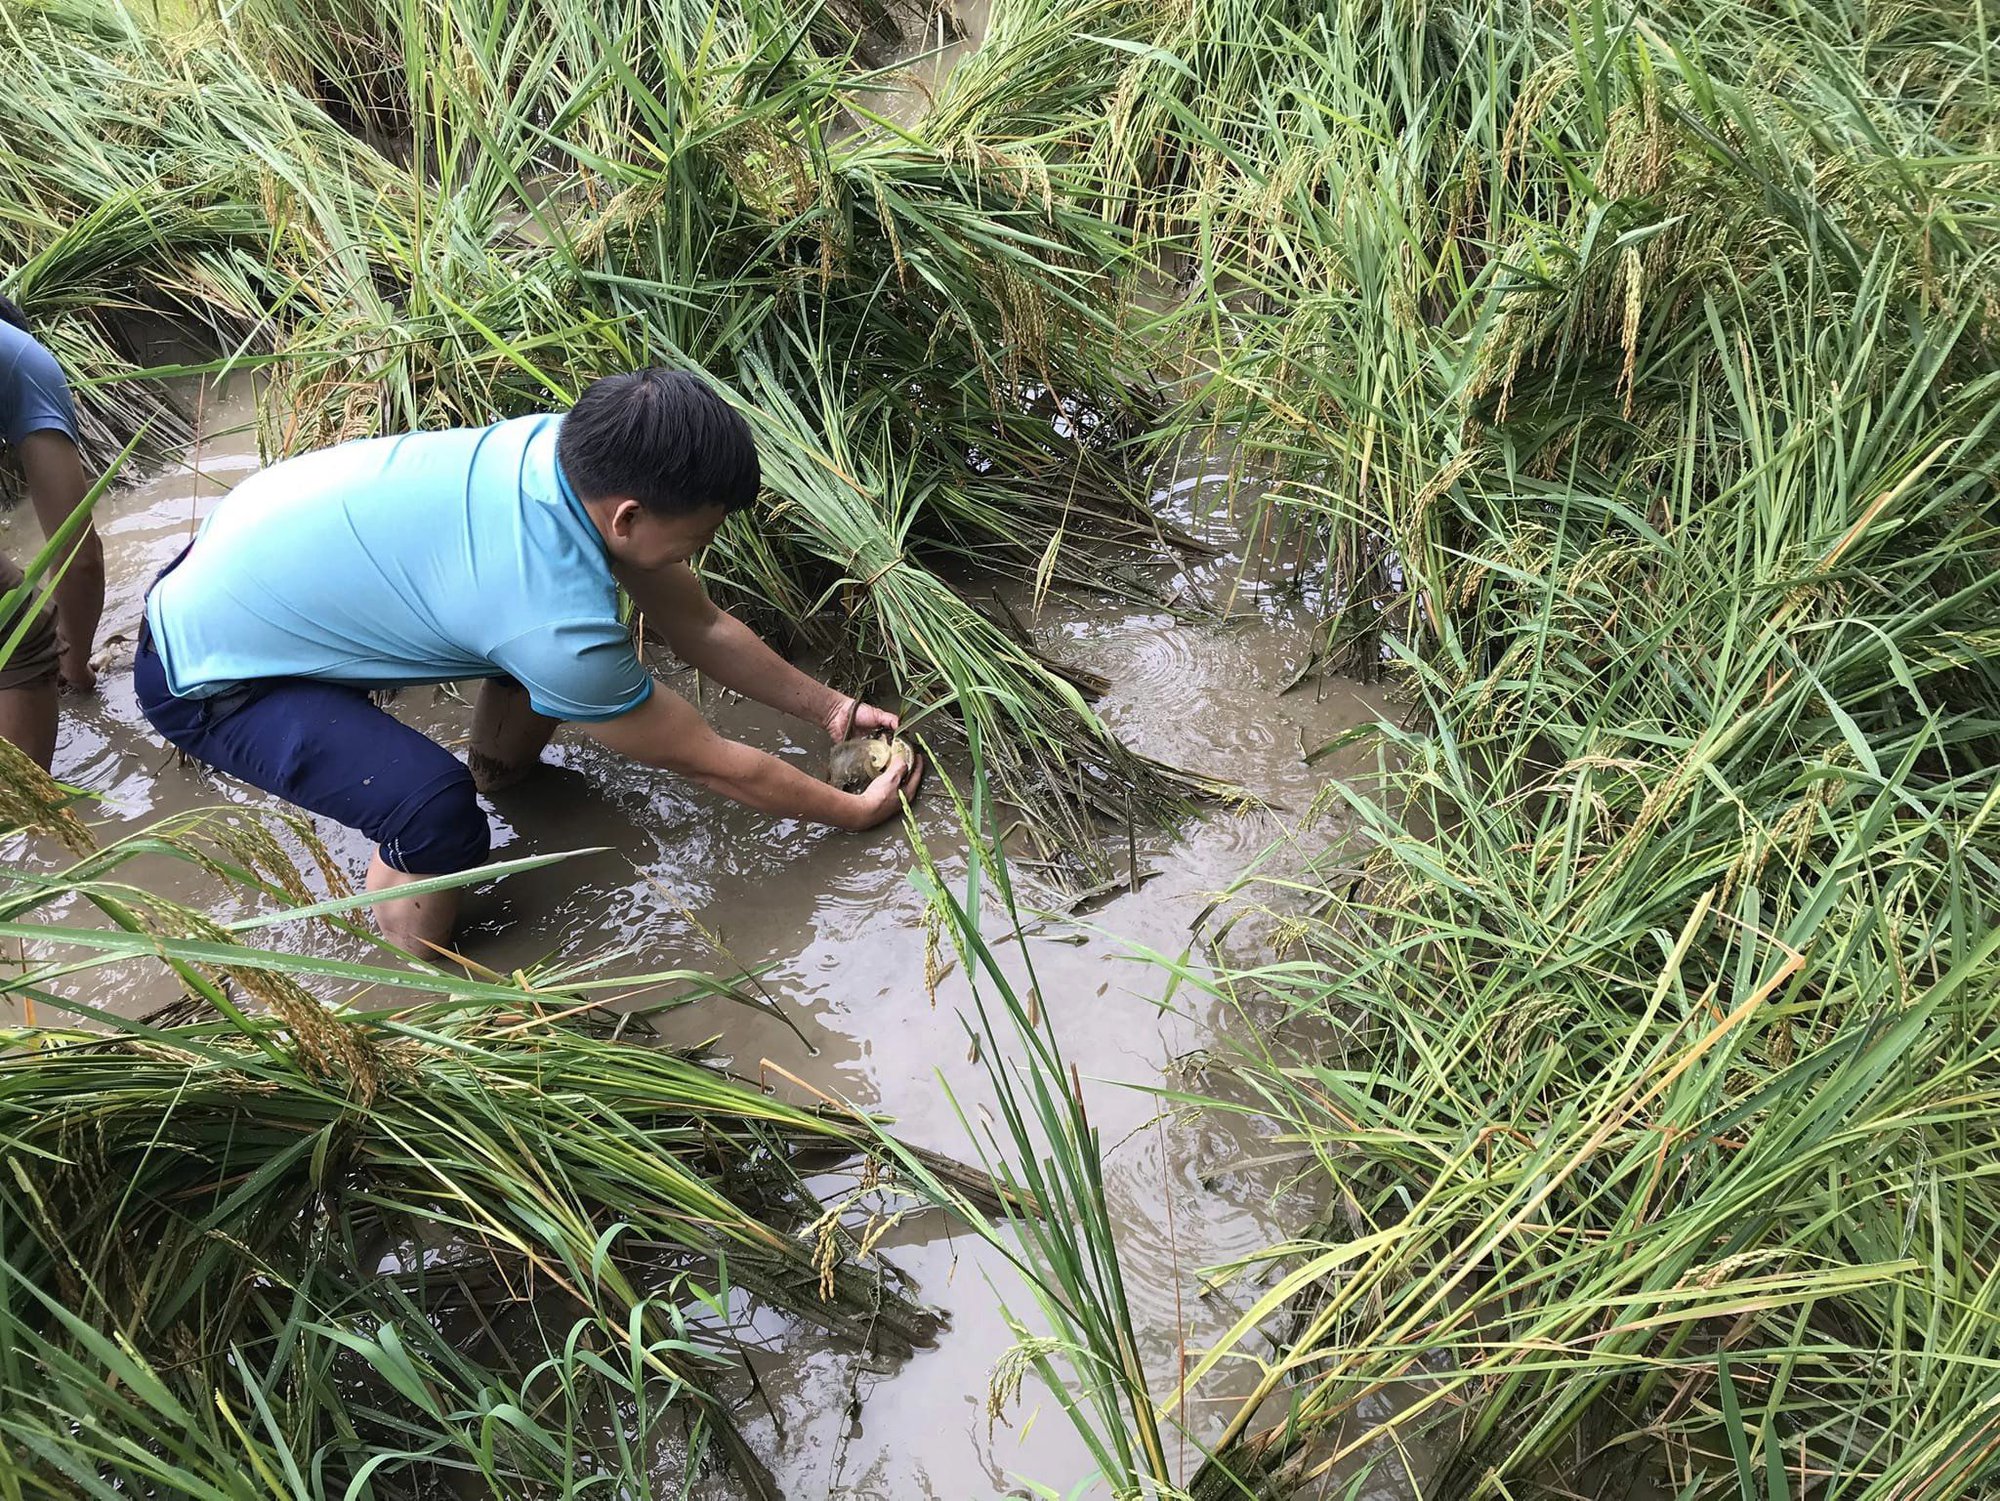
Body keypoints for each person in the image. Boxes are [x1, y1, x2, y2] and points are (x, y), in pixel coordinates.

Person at [135, 368, 923, 956]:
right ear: (631, 515)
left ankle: (501, 771)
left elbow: (700, 623)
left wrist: (830, 710)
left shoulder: (561, 452)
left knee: (537, 655)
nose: (701, 554)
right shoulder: (553, 619)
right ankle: (418, 968)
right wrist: (851, 810)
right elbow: (712, 763)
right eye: (698, 537)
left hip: (244, 563)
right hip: (208, 671)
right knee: (433, 810)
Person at [0, 294, 106, 769]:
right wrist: (74, 665)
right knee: (22, 627)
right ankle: (20, 828)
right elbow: (79, 556)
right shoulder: (20, 357)